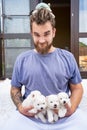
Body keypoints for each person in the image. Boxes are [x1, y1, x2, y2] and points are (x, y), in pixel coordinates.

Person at [2, 2, 87, 130]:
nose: (41, 41)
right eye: (37, 35)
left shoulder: (67, 57)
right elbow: (15, 89)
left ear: (54, 32)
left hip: (63, 116)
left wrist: (71, 109)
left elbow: (77, 88)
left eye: (46, 34)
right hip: (31, 117)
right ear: (31, 33)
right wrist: (20, 107)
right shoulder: (22, 60)